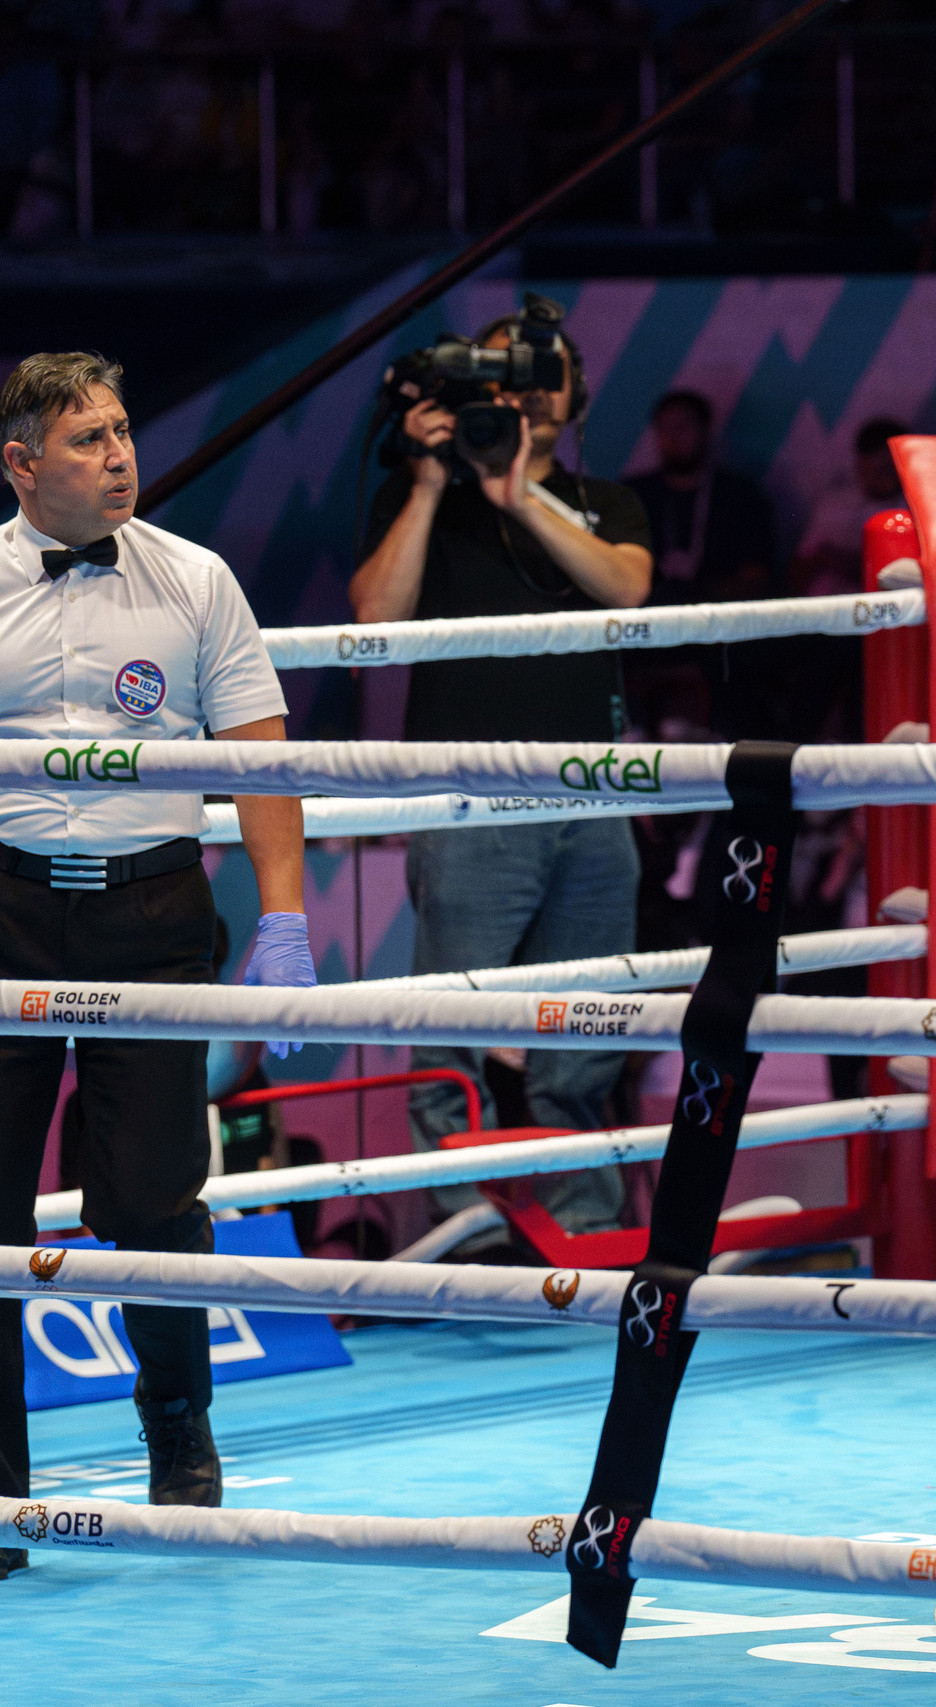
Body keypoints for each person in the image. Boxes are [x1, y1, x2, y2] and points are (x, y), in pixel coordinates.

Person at [0, 351, 310, 1559]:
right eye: (88, 440)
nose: (122, 454)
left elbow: (264, 758)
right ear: (22, 463)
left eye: (124, 430)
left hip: (154, 915)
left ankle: (181, 1443)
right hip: (6, 908)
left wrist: (283, 920)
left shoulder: (196, 579)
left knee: (155, 1198)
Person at [349, 309, 651, 1252]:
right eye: (508, 376)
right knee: (450, 1025)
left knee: (587, 1024)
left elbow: (627, 588)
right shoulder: (418, 493)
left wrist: (519, 494)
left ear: (576, 396)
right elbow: (374, 623)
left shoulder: (607, 499)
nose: (527, 392)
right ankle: (462, 1225)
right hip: (470, 792)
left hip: (593, 793)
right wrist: (436, 483)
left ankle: (582, 1222)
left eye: (545, 375)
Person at [626, 391, 775, 609]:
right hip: (650, 618)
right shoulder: (634, 494)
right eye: (663, 428)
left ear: (705, 430)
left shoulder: (740, 495)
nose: (673, 437)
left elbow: (757, 572)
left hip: (721, 620)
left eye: (682, 427)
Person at [793, 417, 907, 598]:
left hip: (875, 616)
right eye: (872, 465)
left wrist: (840, 560)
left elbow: (896, 578)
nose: (879, 474)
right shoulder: (835, 503)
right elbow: (800, 566)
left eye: (886, 467)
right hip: (819, 612)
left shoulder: (913, 513)